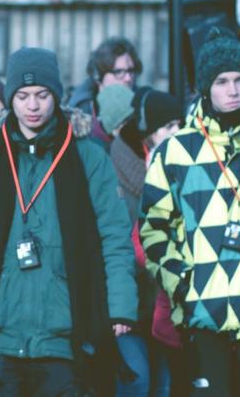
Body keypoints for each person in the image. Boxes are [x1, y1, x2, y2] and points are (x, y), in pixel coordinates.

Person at [0, 47, 137, 397]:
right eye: (22, 96)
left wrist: (121, 309)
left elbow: (114, 239)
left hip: (66, 335)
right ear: (12, 100)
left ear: (56, 96)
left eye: (41, 95)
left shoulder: (88, 158)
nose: (33, 106)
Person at [140, 28, 240, 395]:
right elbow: (153, 227)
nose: (233, 90)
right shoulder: (176, 151)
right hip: (203, 314)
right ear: (205, 88)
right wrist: (181, 282)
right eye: (222, 81)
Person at [106, 88, 183, 397]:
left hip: (167, 300)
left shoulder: (182, 164)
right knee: (137, 378)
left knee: (166, 383)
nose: (177, 132)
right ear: (149, 133)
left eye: (180, 123)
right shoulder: (117, 170)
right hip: (132, 299)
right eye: (169, 126)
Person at [68, 38, 145, 142]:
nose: (128, 78)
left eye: (130, 71)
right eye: (119, 72)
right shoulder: (81, 110)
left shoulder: (143, 103)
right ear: (98, 75)